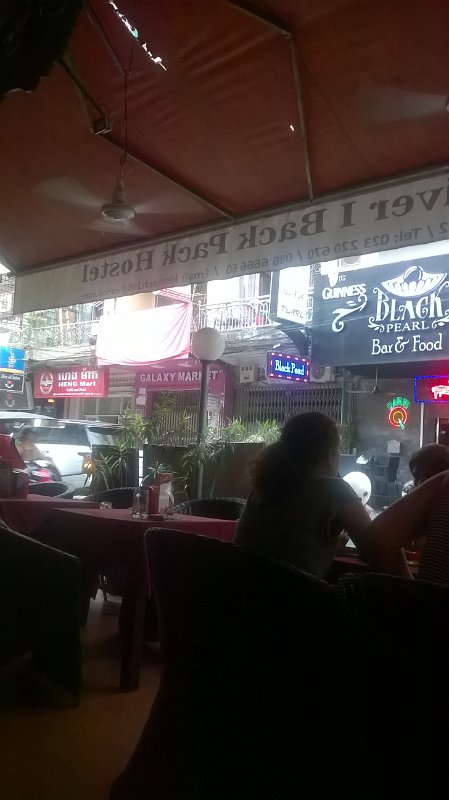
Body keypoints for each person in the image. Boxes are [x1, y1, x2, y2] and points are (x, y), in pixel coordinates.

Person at [234, 412, 372, 580]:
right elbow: (376, 550)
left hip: (242, 591)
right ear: (331, 455)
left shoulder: (263, 489)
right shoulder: (335, 489)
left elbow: (281, 540)